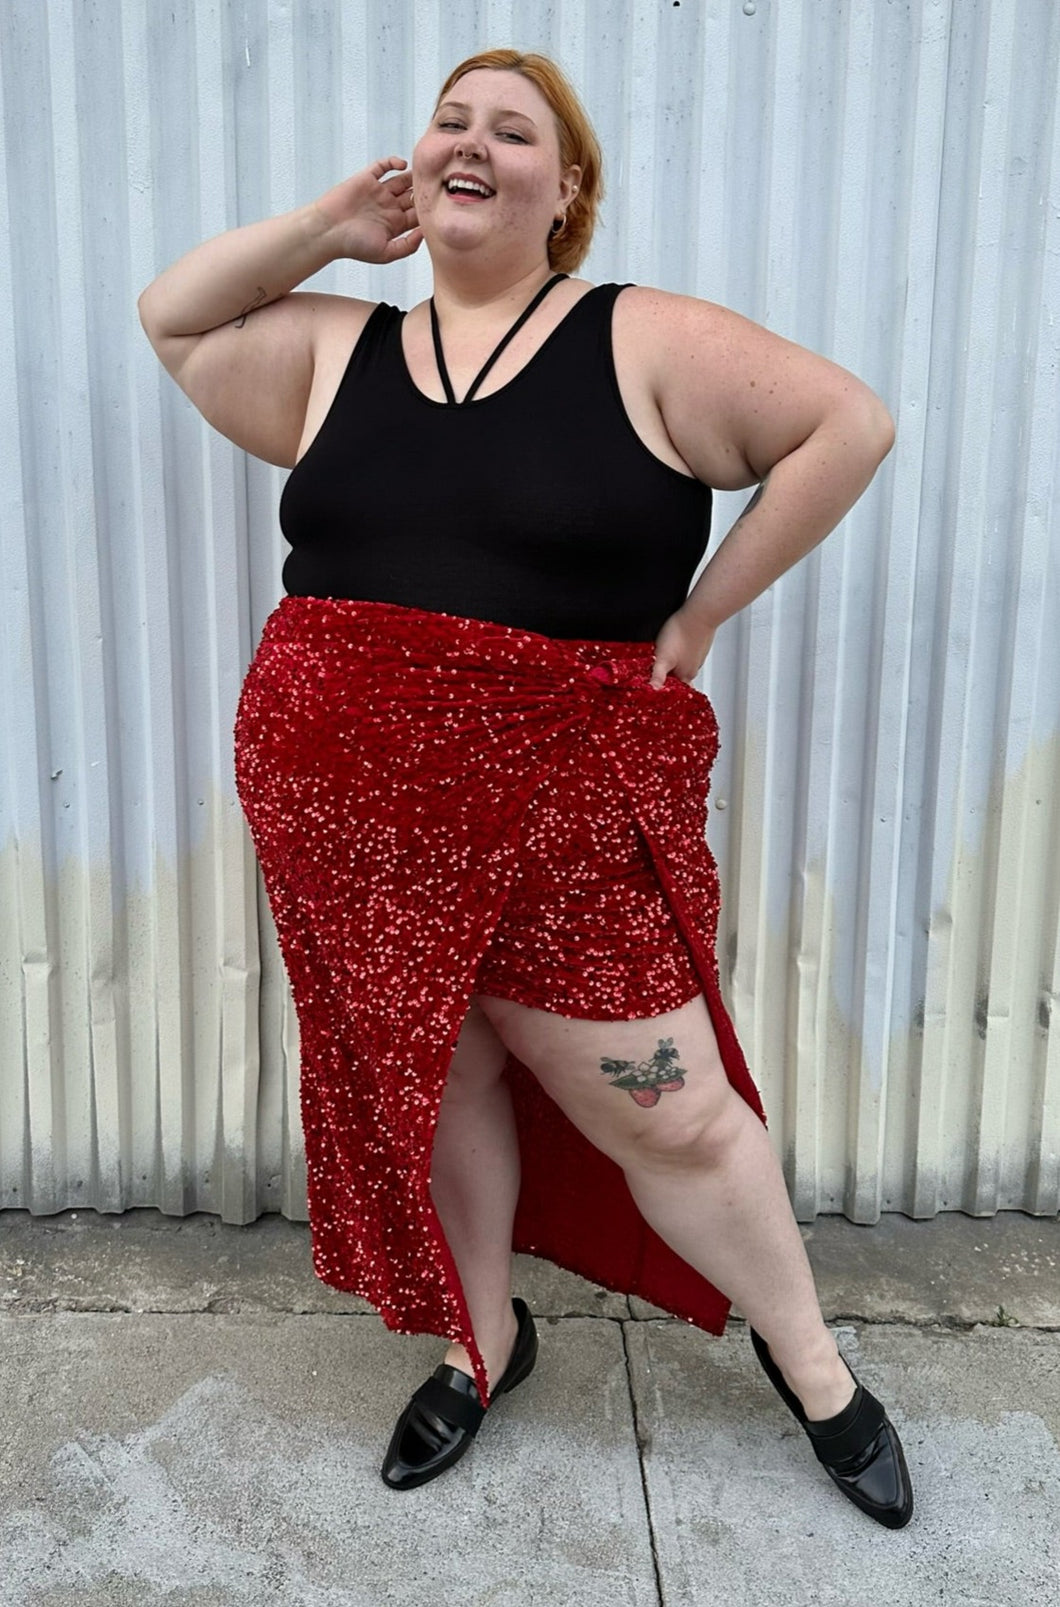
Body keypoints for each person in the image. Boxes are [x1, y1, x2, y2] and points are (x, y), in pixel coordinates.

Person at [138, 48, 913, 1527]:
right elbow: (172, 316)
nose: (471, 143)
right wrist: (325, 229)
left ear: (569, 193)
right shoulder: (332, 349)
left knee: (670, 1107)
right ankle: (481, 1341)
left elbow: (847, 425)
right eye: (449, 122)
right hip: (345, 816)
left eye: (514, 131)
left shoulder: (640, 339)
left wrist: (700, 618)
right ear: (412, 167)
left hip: (559, 808)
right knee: (436, 1081)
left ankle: (816, 1370)